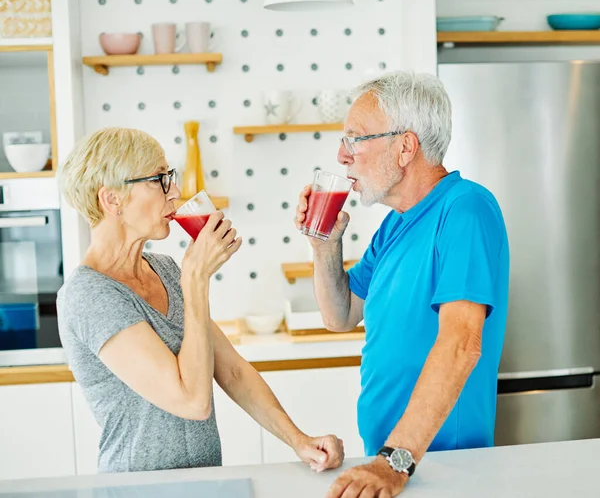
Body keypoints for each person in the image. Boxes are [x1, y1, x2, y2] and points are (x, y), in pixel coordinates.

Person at [57, 127, 344, 473]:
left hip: (205, 481)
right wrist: (196, 279)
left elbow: (233, 371)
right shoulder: (88, 295)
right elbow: (191, 400)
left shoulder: (163, 269)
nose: (175, 192)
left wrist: (298, 440)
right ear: (112, 200)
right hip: (137, 489)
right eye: (159, 179)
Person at [295, 71, 509, 497]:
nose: (342, 154)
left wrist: (397, 461)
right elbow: (341, 315)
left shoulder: (465, 209)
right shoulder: (395, 225)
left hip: (443, 466)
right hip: (391, 461)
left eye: (355, 138)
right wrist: (324, 246)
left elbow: (461, 343)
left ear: (405, 146)